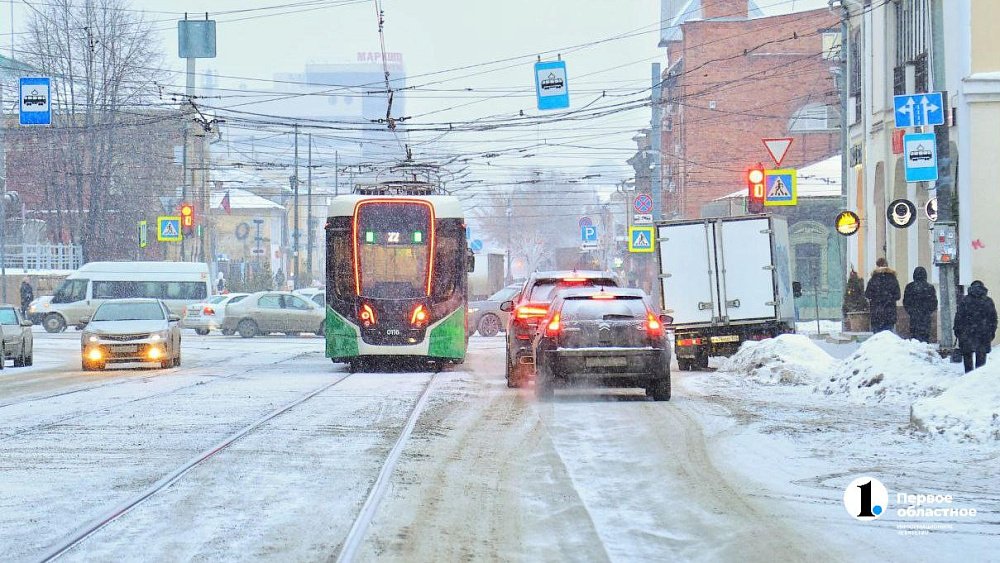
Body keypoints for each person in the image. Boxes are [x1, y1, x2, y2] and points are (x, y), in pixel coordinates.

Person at [953, 280, 997, 373]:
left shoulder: (965, 300)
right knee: (981, 358)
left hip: (967, 334)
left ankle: (968, 376)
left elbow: (958, 317)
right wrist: (991, 332)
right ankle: (977, 379)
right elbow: (993, 319)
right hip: (983, 334)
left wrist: (957, 331)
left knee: (967, 356)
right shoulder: (988, 301)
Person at [902, 266, 938, 343]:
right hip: (925, 316)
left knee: (915, 336)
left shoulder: (910, 287)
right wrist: (928, 311)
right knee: (925, 336)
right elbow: (934, 302)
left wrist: (911, 311)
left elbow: (906, 301)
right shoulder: (929, 287)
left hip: (914, 316)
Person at [865, 258, 900, 333]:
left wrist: (876, 298)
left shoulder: (873, 279)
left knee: (877, 338)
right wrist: (889, 298)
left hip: (876, 313)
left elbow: (867, 294)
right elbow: (898, 296)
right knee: (888, 336)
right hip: (889, 313)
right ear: (887, 266)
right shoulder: (893, 279)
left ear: (877, 266)